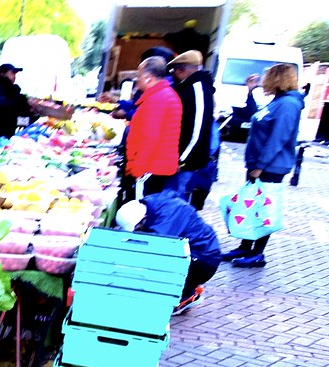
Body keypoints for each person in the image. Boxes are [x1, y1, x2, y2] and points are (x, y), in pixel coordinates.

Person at [223, 63, 304, 268]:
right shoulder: (277, 101)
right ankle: (246, 245)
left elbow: (278, 138)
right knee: (251, 205)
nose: (263, 82)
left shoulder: (288, 104)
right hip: (259, 165)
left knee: (263, 209)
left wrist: (260, 165)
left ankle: (257, 253)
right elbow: (255, 118)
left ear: (277, 80)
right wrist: (250, 92)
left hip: (271, 167)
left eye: (267, 78)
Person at [115, 191, 221, 315]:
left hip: (204, 260)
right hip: (200, 253)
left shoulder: (169, 214)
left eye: (138, 228)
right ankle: (186, 287)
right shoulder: (153, 206)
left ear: (144, 218)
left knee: (156, 263)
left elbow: (156, 246)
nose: (138, 231)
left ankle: (186, 294)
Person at [123, 56, 182, 202]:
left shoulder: (157, 99)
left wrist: (137, 170)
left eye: (139, 75)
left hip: (150, 168)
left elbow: (149, 138)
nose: (137, 79)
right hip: (156, 167)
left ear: (148, 78)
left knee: (139, 212)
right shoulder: (165, 95)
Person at [167, 50, 217, 209]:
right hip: (183, 158)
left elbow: (197, 129)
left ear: (182, 70)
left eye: (175, 70)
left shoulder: (197, 89)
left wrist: (182, 159)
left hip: (187, 162)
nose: (173, 75)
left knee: (177, 200)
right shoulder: (190, 87)